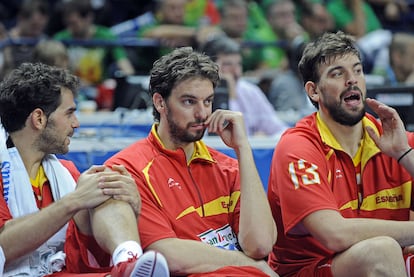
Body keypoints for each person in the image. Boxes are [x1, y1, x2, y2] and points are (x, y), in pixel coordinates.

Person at [105, 47, 278, 277]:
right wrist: (249, 264)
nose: (202, 113)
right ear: (160, 102)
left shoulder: (228, 167)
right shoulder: (129, 169)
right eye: (189, 102)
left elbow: (260, 245)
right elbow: (166, 254)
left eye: (208, 102)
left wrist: (243, 149)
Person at [267, 30, 414, 276]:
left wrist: (404, 154)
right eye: (338, 74)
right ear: (313, 91)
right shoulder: (298, 147)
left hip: (385, 264)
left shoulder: (396, 140)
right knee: (382, 251)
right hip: (310, 269)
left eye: (357, 70)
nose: (352, 80)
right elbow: (334, 235)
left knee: (385, 251)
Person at [0, 62, 169, 276]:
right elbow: (3, 247)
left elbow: (86, 252)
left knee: (106, 184)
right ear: (39, 118)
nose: (77, 123)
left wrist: (132, 208)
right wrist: (74, 201)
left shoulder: (66, 172)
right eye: (69, 113)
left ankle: (128, 259)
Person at [201, 35, 288, 136]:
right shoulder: (201, 93)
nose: (236, 71)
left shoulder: (250, 91)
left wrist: (263, 139)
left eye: (238, 64)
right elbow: (220, 136)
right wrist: (230, 95)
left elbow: (279, 130)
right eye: (227, 64)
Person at [53, 0, 135, 86]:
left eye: (74, 23)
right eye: (68, 23)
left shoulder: (106, 35)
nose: (70, 28)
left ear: (89, 17)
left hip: (100, 90)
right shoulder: (61, 38)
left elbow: (124, 64)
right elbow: (54, 72)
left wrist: (125, 81)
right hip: (71, 88)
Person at [0, 0, 50, 79]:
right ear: (21, 18)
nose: (38, 30)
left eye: (41, 27)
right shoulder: (5, 43)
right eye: (34, 26)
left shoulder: (46, 42)